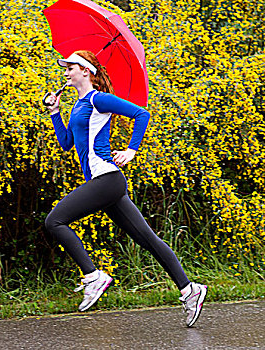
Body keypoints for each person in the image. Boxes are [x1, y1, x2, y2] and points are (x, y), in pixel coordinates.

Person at [44, 50, 207, 327]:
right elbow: (66, 143)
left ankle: (94, 277)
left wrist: (132, 150)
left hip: (106, 179)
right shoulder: (78, 105)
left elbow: (141, 114)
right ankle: (189, 289)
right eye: (66, 68)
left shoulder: (98, 99)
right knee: (147, 239)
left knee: (54, 220)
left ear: (86, 71)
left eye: (70, 67)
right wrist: (55, 112)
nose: (66, 71)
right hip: (106, 183)